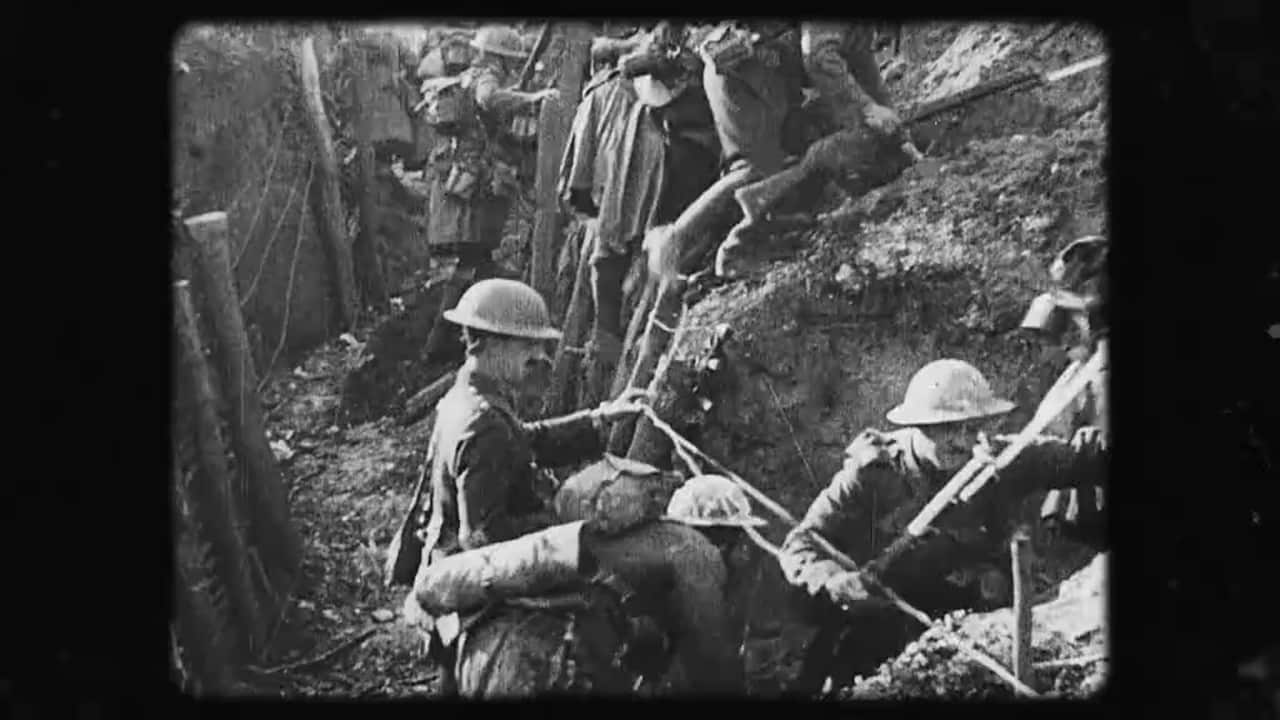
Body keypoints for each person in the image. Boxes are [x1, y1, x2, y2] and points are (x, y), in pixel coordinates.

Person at [776, 358, 1108, 695]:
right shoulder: (872, 475)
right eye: (949, 430)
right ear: (919, 427)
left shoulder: (996, 461)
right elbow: (802, 542)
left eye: (972, 427)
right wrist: (834, 580)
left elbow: (1076, 458)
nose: (964, 441)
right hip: (880, 615)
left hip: (966, 614)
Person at [403, 277, 650, 692]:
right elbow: (481, 535)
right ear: (488, 344)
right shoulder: (482, 421)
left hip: (443, 556)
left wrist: (599, 418)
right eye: (526, 346)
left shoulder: (471, 394)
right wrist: (564, 525)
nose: (538, 357)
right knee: (607, 599)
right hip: (468, 576)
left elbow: (523, 440)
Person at [560, 22, 720, 401]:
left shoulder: (688, 110)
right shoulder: (618, 102)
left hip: (662, 226)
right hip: (631, 223)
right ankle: (608, 352)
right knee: (613, 270)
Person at [421, 25, 560, 363]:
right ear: (502, 56)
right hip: (472, 188)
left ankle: (460, 340)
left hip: (464, 184)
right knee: (471, 264)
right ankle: (439, 347)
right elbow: (489, 98)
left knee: (477, 263)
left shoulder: (471, 75)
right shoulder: (486, 75)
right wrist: (533, 99)